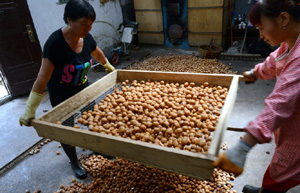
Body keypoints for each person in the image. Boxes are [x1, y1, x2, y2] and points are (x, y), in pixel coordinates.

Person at [19, 0, 115, 179]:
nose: (88, 29)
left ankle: (97, 147)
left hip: (83, 90)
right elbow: (42, 78)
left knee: (93, 119)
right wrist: (29, 109)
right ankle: (74, 161)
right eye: (84, 24)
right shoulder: (55, 44)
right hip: (62, 95)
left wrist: (108, 66)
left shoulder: (87, 38)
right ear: (70, 20)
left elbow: (97, 52)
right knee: (67, 129)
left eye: (91, 24)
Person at [213, 0, 300, 192]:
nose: (260, 36)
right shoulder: (291, 42)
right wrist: (256, 72)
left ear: (284, 18)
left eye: (261, 28)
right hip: (292, 122)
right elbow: (275, 61)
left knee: (279, 175)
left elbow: (280, 103)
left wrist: (244, 145)